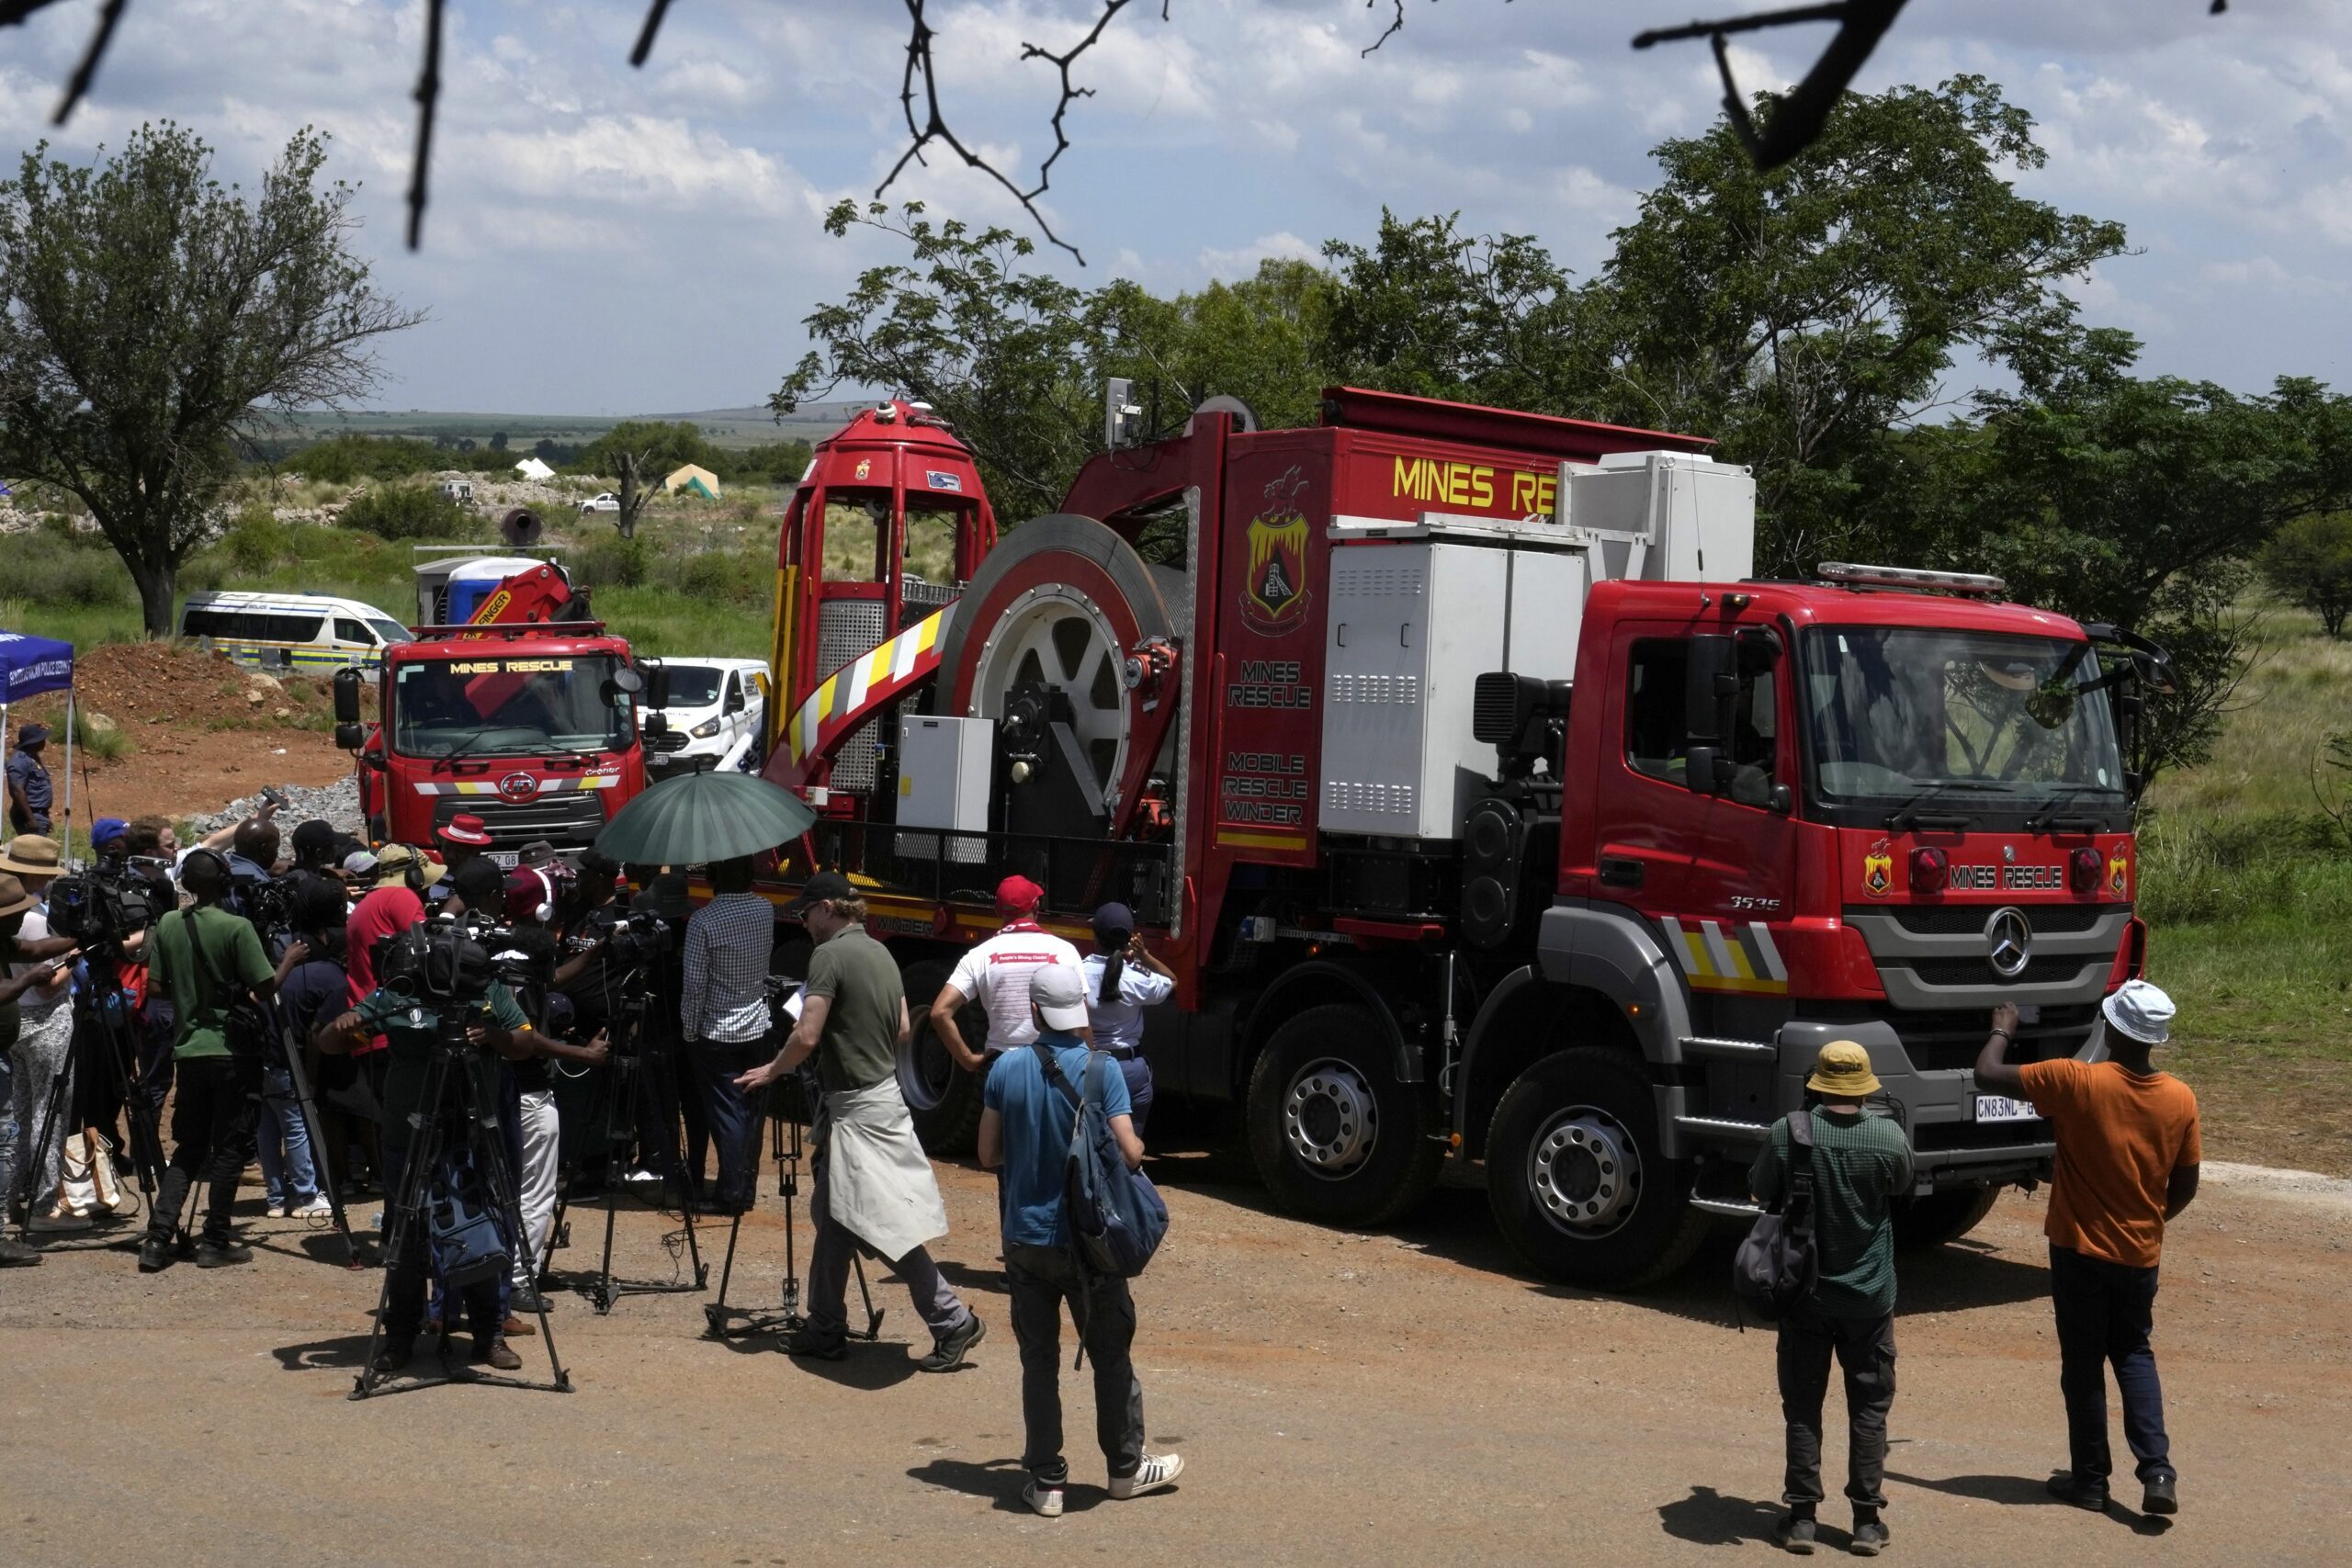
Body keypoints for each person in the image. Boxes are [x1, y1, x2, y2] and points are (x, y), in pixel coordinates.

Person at [735, 871, 984, 1370]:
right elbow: (905, 1028)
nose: (803, 923)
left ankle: (950, 1318)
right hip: (882, 1100)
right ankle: (825, 1326)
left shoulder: (828, 955)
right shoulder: (881, 952)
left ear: (828, 907)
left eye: (805, 913)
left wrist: (771, 1068)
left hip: (855, 1111)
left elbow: (806, 1035)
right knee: (837, 1220)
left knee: (876, 1224)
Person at [1976, 983, 2199, 1517]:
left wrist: (2002, 1029)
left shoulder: (2075, 1080)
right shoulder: (2180, 1098)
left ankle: (2091, 1481)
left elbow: (1987, 1074)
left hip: (2078, 1250)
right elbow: (2185, 1185)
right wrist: (2149, 1220)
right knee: (2133, 1353)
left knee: (2083, 1364)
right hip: (2140, 1253)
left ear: (2112, 1029)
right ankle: (2158, 1470)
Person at [979, 964, 1182, 1516]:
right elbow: (1133, 1152)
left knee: (1038, 1361)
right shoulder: (1103, 1071)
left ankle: (1046, 1483)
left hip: (1024, 1239)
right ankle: (1124, 1469)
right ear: (1079, 1012)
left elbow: (987, 1154)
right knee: (1110, 1355)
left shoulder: (1005, 1069)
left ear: (1036, 1011)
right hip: (1089, 1242)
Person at [313, 927, 540, 1374]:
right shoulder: (399, 993)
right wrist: (341, 1030)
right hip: (410, 1134)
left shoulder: (488, 991)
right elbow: (328, 1041)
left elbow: (525, 1044)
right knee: (408, 1234)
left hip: (474, 1133)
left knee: (483, 1229)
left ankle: (487, 1336)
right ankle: (400, 1337)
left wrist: (490, 1034)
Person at [1749, 1041, 1912, 1557]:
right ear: (1866, 1086)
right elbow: (1903, 1186)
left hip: (1805, 1297)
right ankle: (1866, 1523)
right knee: (1868, 1410)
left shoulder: (1786, 1134)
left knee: (1803, 1406)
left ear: (1815, 1083)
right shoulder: (1888, 1137)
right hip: (1869, 1298)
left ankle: (1801, 1519)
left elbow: (1758, 1191)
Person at [138, 849, 300, 1272]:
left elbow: (155, 988)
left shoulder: (170, 924)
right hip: (232, 1052)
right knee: (229, 1147)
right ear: (225, 882)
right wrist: (287, 962)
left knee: (189, 1147)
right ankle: (215, 1239)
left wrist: (192, 1000)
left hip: (189, 1051)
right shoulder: (238, 927)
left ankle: (156, 1240)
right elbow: (264, 989)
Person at [494, 867, 608, 1306]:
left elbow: (551, 980)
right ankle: (520, 1281)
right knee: (535, 1192)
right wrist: (582, 1055)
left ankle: (496, 1276)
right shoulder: (527, 961)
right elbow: (527, 1038)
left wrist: (595, 953)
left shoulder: (499, 948)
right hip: (527, 1095)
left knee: (504, 1186)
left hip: (498, 1091)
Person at [681, 854, 775, 1215]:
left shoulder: (703, 920)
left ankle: (730, 1194)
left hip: (716, 1031)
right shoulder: (764, 910)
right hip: (756, 1025)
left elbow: (694, 986)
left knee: (727, 1113)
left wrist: (690, 1031)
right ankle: (744, 1188)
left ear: (712, 876)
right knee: (750, 1112)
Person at [930, 874, 1083, 1074]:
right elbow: (1082, 1019)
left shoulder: (978, 956)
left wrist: (968, 1060)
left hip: (1003, 1066)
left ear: (997, 911)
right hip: (1056, 1064)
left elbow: (939, 1012)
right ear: (1036, 907)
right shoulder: (1065, 951)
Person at [0, 870, 79, 1255]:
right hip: (40, 1027)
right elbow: (39, 978)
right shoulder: (25, 924)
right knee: (45, 1113)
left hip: (13, 1039)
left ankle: (15, 1198)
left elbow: (33, 951)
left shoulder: (8, 937)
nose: (21, 917)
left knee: (18, 1120)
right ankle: (41, 1206)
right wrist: (33, 978)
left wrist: (81, 938)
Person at [1079, 903, 1175, 1134]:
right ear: (1128, 940)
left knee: (1089, 1143)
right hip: (1130, 1070)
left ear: (1096, 938)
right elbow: (1172, 981)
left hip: (1089, 1067)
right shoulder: (1136, 977)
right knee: (1129, 1149)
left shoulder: (1077, 972)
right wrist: (1145, 955)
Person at [6, 724, 52, 834]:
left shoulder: (32, 759)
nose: (44, 742)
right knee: (33, 850)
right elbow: (17, 790)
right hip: (29, 815)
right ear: (33, 742)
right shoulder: (20, 761)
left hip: (39, 814)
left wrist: (45, 817)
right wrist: (30, 819)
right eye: (41, 739)